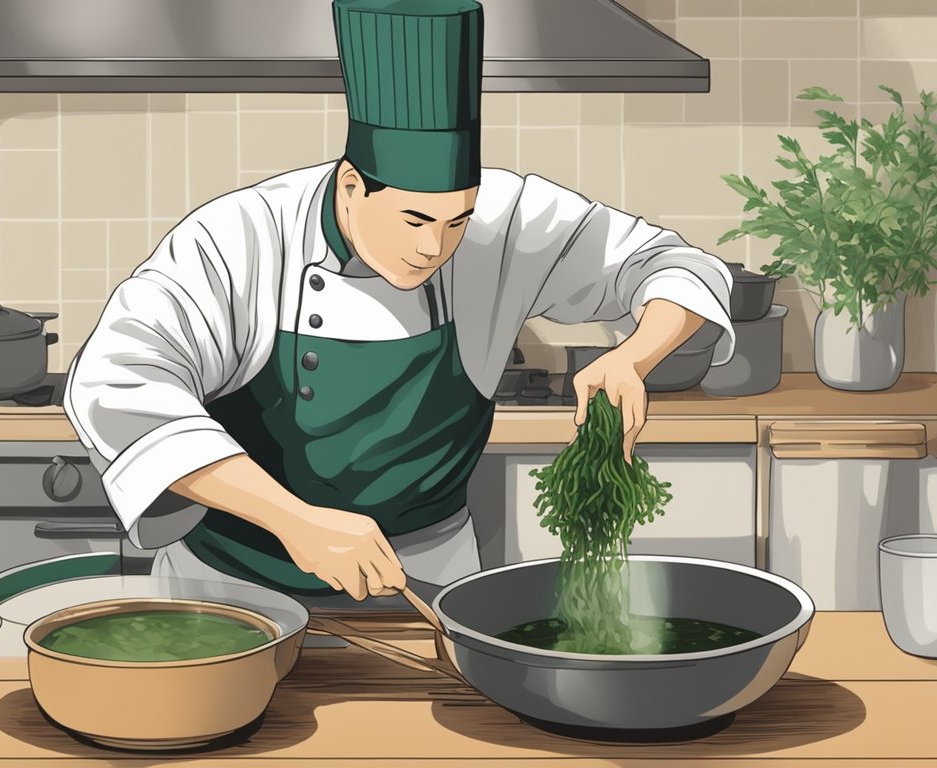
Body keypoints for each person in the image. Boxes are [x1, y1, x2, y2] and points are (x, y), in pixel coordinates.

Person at [63, 0, 734, 616]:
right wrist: (294, 519)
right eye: (414, 219)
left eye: (456, 221)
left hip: (423, 590)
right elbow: (116, 380)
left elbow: (682, 267)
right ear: (351, 186)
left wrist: (632, 357)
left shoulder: (503, 223)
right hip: (227, 598)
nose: (432, 247)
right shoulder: (240, 237)